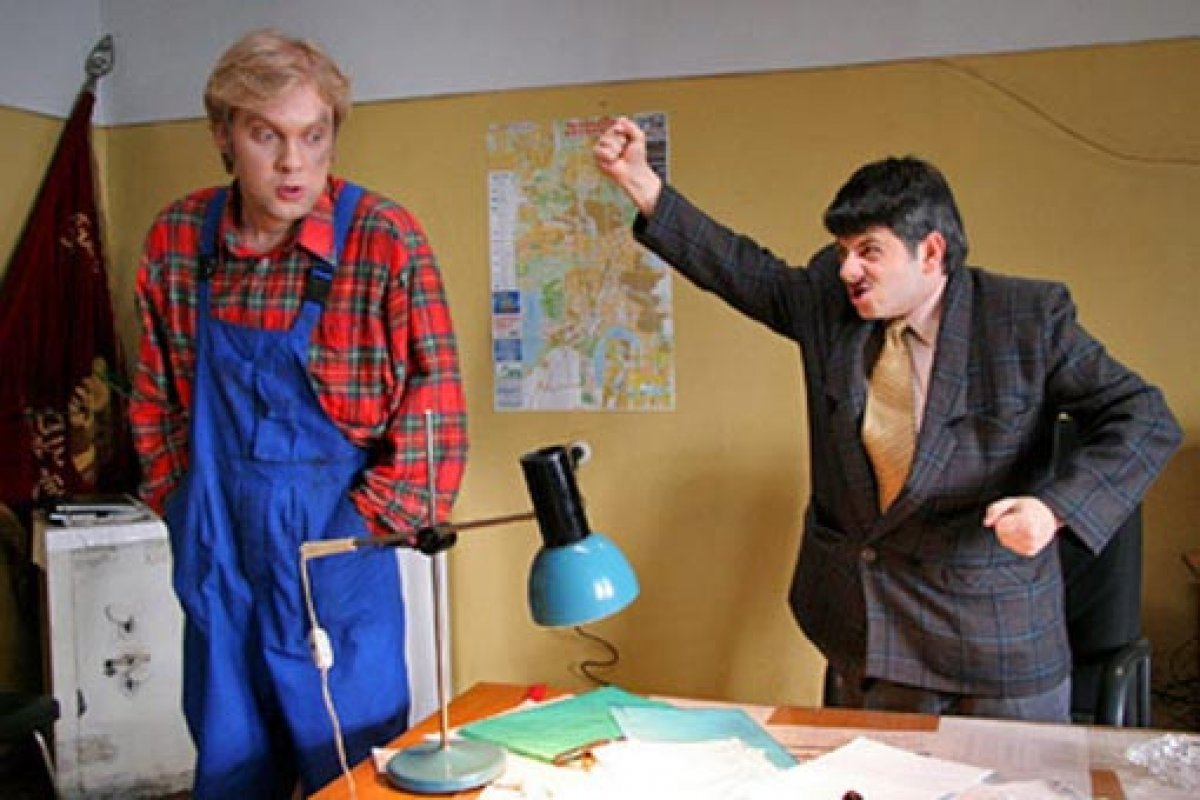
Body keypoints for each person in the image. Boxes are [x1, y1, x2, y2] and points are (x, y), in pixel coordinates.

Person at [594, 116, 1181, 722]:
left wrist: (1053, 509)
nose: (848, 270)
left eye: (869, 251)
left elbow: (1144, 417)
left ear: (931, 252)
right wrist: (642, 184)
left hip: (995, 642)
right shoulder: (830, 301)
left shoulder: (1026, 318)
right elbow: (743, 269)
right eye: (843, 251)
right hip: (871, 632)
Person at [130, 30, 467, 797]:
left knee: (351, 774)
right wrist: (181, 504)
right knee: (231, 766)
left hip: (336, 555)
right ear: (223, 136)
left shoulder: (383, 239)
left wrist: (361, 534)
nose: (293, 163)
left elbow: (438, 413)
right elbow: (153, 396)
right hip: (221, 553)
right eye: (267, 136)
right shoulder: (179, 238)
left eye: (313, 136)